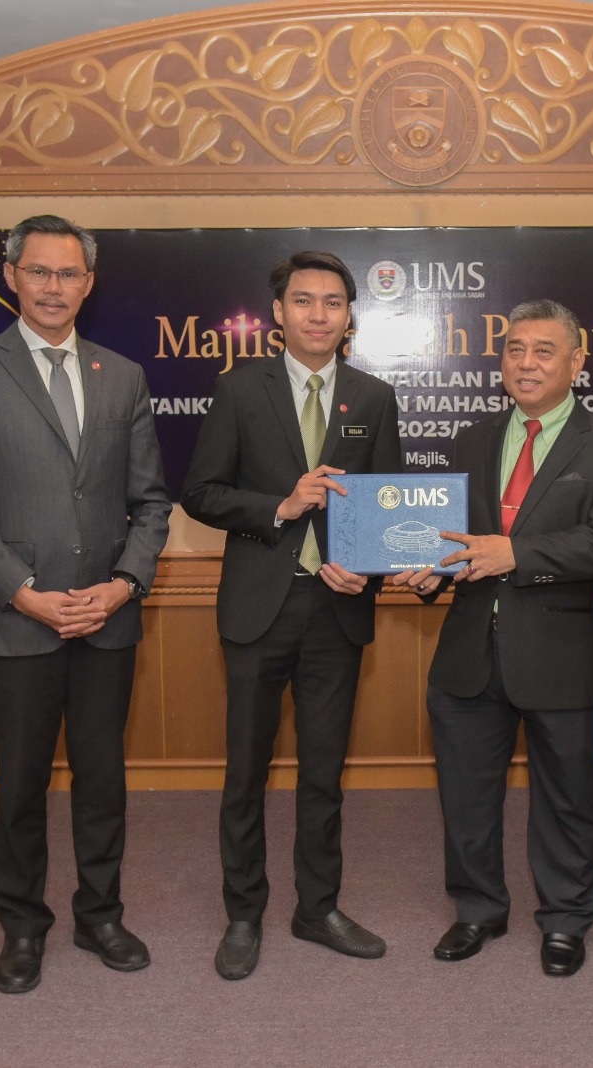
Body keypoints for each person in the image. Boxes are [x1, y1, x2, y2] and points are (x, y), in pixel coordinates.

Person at [0, 215, 171, 993]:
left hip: (107, 619)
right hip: (18, 621)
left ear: (88, 284)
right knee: (21, 786)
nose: (53, 287)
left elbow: (151, 503)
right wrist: (26, 593)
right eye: (39, 271)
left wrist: (124, 584)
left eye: (68, 274)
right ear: (11, 275)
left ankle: (100, 915)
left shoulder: (122, 375)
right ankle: (23, 927)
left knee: (103, 781)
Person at [393, 300, 593, 978]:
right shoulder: (472, 439)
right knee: (466, 794)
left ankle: (565, 918)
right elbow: (455, 538)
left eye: (543, 351)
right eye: (514, 349)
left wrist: (517, 553)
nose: (526, 363)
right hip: (468, 651)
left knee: (568, 795)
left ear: (576, 362)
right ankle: (478, 908)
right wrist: (432, 573)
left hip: (559, 655)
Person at [182, 250, 401, 980]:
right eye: (304, 301)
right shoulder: (239, 390)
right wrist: (280, 505)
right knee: (246, 771)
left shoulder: (373, 397)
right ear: (278, 313)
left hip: (336, 610)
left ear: (349, 317)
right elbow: (201, 493)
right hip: (258, 609)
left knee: (323, 773)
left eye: (333, 302)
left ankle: (318, 908)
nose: (318, 314)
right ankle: (244, 913)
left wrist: (367, 568)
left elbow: (387, 505)